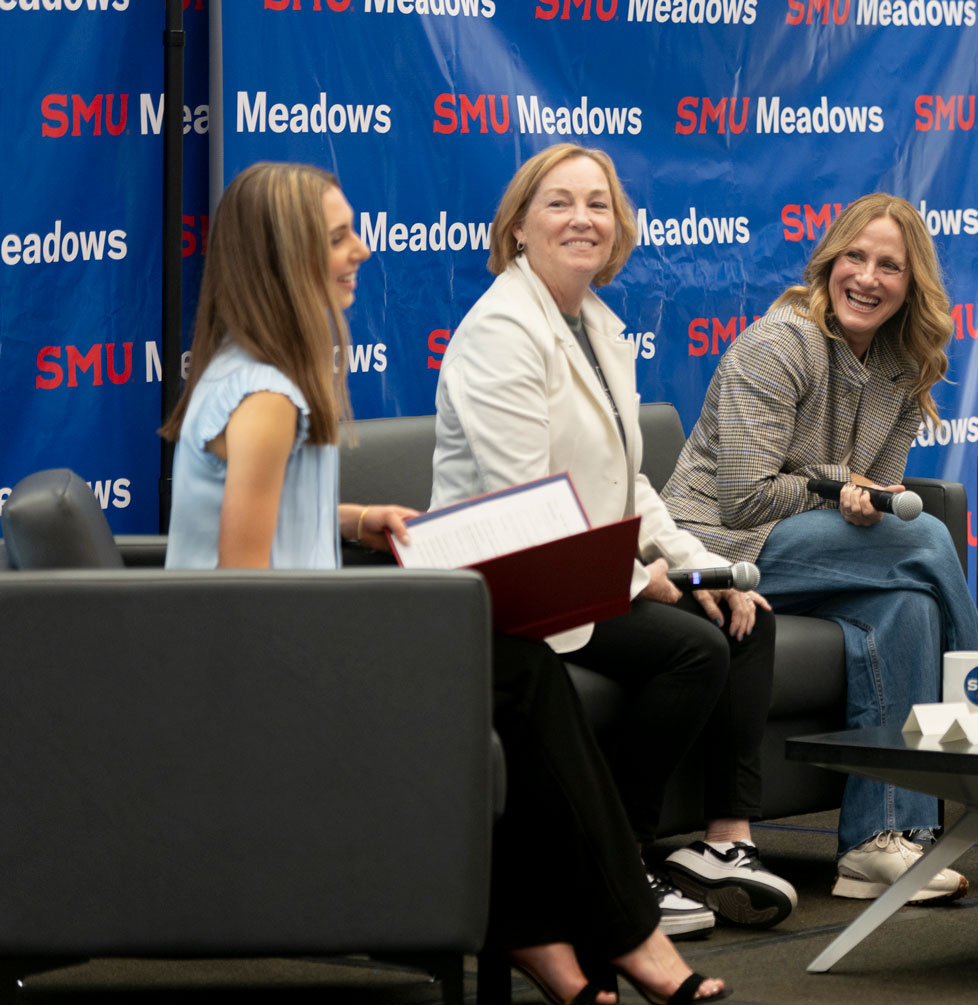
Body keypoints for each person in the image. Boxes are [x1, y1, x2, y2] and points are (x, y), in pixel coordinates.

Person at [162, 162, 730, 1005]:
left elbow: (249, 512)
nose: (361, 251)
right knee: (523, 674)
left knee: (516, 665)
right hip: (260, 667)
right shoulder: (270, 395)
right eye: (338, 238)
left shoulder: (245, 372)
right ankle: (623, 931)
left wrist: (354, 519)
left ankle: (540, 928)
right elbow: (245, 591)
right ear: (285, 258)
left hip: (273, 643)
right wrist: (369, 624)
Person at [430, 143, 795, 934]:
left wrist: (700, 566)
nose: (583, 219)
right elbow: (525, 499)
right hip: (514, 580)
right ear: (518, 226)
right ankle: (617, 864)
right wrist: (638, 581)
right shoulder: (501, 330)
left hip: (583, 570)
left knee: (746, 614)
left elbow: (625, 482)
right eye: (559, 203)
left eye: (598, 204)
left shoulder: (595, 324)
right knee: (692, 648)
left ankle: (720, 845)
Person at [661, 193, 978, 902]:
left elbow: (881, 501)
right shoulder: (778, 345)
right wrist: (839, 484)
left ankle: (878, 842)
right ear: (828, 263)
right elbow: (742, 498)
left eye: (889, 266)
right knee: (927, 536)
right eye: (855, 258)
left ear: (911, 284)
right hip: (716, 543)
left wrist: (858, 494)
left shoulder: (905, 364)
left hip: (805, 545)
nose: (867, 278)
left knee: (908, 602)